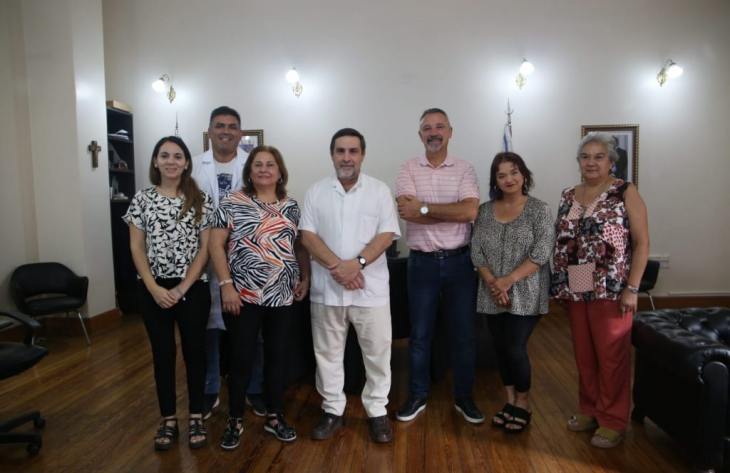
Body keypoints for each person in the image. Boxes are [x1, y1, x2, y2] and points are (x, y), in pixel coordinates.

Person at [299, 128, 400, 443]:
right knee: (327, 354)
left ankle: (377, 411)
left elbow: (387, 234)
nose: (346, 157)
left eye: (353, 151)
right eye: (340, 151)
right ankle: (332, 409)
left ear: (362, 155)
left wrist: (356, 264)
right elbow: (308, 236)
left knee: (377, 354)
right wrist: (337, 266)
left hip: (370, 290)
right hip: (327, 290)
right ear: (332, 155)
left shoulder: (379, 190)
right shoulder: (316, 191)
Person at [552, 132, 649, 448]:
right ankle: (590, 409)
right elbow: (565, 240)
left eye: (598, 156)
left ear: (611, 161)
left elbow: (642, 243)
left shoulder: (624, 191)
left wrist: (632, 288)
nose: (591, 162)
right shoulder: (569, 194)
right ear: (578, 161)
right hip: (577, 280)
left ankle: (613, 420)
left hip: (612, 283)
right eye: (585, 156)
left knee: (611, 356)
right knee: (585, 354)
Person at [209, 145, 310, 449]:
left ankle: (275, 416)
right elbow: (215, 245)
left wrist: (305, 277)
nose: (264, 169)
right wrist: (226, 285)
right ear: (249, 171)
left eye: (270, 164)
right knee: (241, 359)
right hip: (242, 295)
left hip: (283, 295)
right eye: (258, 164)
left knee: (277, 358)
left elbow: (300, 246)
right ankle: (235, 419)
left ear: (280, 172)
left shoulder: (292, 206)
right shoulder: (232, 201)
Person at [124, 136, 213, 451]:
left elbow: (206, 249)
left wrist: (182, 287)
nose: (171, 161)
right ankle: (168, 418)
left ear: (187, 162)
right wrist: (154, 288)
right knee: (162, 355)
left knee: (195, 353)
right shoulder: (142, 199)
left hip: (193, 288)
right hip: (153, 288)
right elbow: (136, 247)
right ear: (155, 161)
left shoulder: (200, 199)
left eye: (177, 156)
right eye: (165, 156)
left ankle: (197, 415)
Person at [395, 108, 483, 424]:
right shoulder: (408, 168)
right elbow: (407, 212)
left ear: (450, 132)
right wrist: (448, 211)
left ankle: (464, 397)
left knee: (463, 335)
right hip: (422, 264)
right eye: (427, 128)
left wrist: (424, 208)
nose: (434, 132)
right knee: (420, 335)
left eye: (439, 127)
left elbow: (470, 212)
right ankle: (417, 395)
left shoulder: (464, 169)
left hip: (460, 263)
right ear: (420, 135)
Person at [470, 152, 554, 433]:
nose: (509, 179)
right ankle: (509, 401)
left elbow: (542, 252)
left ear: (524, 175)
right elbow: (476, 251)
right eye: (501, 174)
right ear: (495, 180)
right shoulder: (484, 211)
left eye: (514, 172)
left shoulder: (539, 210)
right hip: (491, 291)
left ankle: (523, 402)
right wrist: (494, 283)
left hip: (527, 291)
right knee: (499, 348)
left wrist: (508, 281)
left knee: (514, 347)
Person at [192, 106, 266, 419]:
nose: (226, 131)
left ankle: (254, 388)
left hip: (246, 257)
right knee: (206, 328)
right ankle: (210, 388)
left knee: (253, 329)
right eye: (220, 126)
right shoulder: (194, 166)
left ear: (240, 132)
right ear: (210, 131)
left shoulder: (253, 166)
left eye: (232, 126)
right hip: (202, 257)